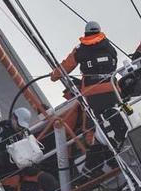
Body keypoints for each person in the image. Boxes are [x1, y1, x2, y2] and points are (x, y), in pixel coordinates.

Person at [50, 20, 127, 169]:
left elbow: (66, 66)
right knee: (118, 119)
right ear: (99, 31)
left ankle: (93, 168)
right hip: (112, 90)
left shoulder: (80, 49)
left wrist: (54, 76)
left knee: (91, 128)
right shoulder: (109, 46)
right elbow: (114, 62)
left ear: (86, 33)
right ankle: (121, 151)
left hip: (92, 93)